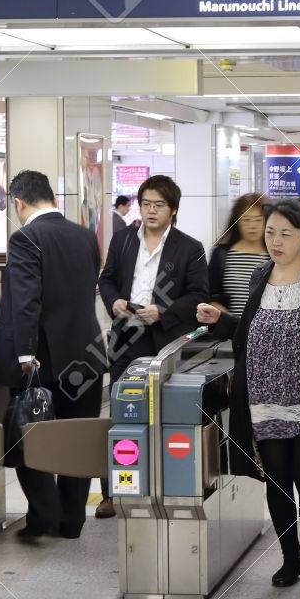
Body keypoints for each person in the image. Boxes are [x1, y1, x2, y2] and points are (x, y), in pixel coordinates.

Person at [195, 199, 300, 595]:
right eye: (270, 233)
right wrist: (223, 321)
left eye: (285, 233)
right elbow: (250, 328)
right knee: (277, 483)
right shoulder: (260, 275)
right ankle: (290, 559)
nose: (275, 241)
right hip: (262, 397)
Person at [0, 170, 106, 541]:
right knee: (75, 441)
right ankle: (71, 522)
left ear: (19, 203)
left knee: (29, 437)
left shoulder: (25, 238)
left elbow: (27, 301)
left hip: (44, 361)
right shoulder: (86, 236)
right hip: (87, 355)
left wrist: (25, 353)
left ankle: (45, 517)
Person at [98, 175, 209, 518]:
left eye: (158, 205)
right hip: (125, 338)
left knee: (160, 411)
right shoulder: (122, 241)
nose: (150, 210)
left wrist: (164, 311)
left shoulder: (189, 248)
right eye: (145, 203)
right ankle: (114, 490)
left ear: (173, 209)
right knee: (121, 413)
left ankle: (164, 482)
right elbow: (107, 278)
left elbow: (198, 294)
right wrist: (114, 300)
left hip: (164, 340)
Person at [208, 192, 269, 317]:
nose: (252, 226)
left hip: (266, 331)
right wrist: (215, 305)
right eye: (246, 220)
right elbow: (208, 292)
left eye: (258, 220)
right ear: (237, 221)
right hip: (230, 332)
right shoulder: (221, 255)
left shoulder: (274, 256)